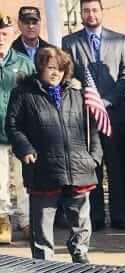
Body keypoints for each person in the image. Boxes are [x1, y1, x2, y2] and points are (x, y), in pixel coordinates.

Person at [5, 46, 101, 263]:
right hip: (43, 168)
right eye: (50, 68)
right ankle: (43, 262)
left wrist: (94, 156)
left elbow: (92, 127)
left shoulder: (77, 92)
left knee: (81, 220)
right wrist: (25, 149)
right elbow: (12, 125)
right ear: (40, 68)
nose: (55, 73)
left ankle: (80, 255)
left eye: (59, 68)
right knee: (42, 224)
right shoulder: (24, 92)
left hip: (79, 167)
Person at [62, 0, 125, 231]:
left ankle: (119, 215)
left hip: (114, 115)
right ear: (81, 14)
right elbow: (67, 75)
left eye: (94, 10)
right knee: (92, 168)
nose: (91, 14)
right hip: (85, 117)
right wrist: (88, 99)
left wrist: (108, 100)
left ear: (102, 12)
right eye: (86, 10)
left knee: (116, 167)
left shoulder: (119, 40)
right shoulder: (69, 43)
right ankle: (96, 217)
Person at [0, 13, 34, 243]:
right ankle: (2, 220)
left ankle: (27, 221)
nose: (0, 38)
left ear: (13, 34)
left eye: (4, 33)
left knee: (25, 180)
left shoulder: (23, 62)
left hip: (20, 131)